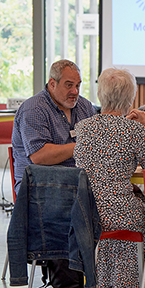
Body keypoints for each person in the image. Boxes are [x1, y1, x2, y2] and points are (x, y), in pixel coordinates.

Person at [74, 68, 145, 288]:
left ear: (101, 94)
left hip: (88, 212)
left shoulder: (83, 127)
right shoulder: (135, 130)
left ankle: (107, 283)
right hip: (121, 211)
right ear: (130, 98)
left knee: (125, 210)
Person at [11, 59, 96, 193]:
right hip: (39, 185)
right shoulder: (34, 109)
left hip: (78, 180)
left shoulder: (85, 106)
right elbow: (39, 156)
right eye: (69, 85)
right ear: (52, 84)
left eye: (78, 86)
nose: (75, 91)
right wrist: (81, 146)